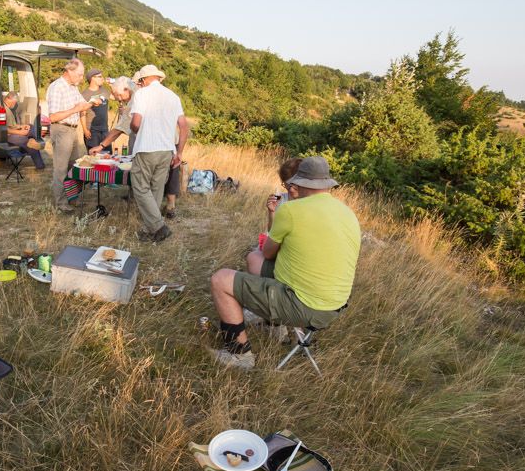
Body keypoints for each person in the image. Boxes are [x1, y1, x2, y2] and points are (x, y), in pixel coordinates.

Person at [208, 156, 361, 369]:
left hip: (305, 307)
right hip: (334, 306)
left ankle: (239, 355)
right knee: (254, 259)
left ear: (298, 184)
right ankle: (272, 324)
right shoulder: (348, 213)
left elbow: (269, 253)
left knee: (220, 280)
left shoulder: (290, 210)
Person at [128, 64, 188, 242]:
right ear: (159, 78)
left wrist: (132, 127)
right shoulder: (173, 96)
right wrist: (179, 153)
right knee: (156, 187)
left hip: (147, 147)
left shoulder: (142, 94)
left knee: (140, 187)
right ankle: (151, 230)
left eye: (141, 80)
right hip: (167, 149)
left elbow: (136, 123)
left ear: (145, 80)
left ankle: (159, 227)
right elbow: (184, 127)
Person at [46, 58, 96, 212]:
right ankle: (61, 203)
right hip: (61, 130)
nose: (82, 78)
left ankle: (72, 199)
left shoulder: (73, 87)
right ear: (69, 71)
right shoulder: (57, 87)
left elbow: (83, 105)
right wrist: (75, 110)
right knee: (61, 169)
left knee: (75, 167)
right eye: (80, 75)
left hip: (73, 130)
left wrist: (95, 101)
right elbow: (53, 117)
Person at [89, 75, 138, 154]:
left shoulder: (135, 100)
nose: (120, 99)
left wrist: (101, 146)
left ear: (126, 89)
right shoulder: (139, 93)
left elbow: (119, 129)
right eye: (117, 96)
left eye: (120, 95)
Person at [4, 91, 45, 170]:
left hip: (14, 132)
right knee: (29, 143)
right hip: (9, 136)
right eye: (14, 102)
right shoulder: (4, 109)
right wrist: (20, 132)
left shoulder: (9, 108)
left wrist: (22, 126)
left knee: (30, 127)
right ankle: (40, 165)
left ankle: (37, 140)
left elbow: (12, 125)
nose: (15, 104)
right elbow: (4, 130)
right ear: (9, 99)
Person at [82, 68, 111, 152]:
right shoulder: (85, 94)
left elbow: (115, 97)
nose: (102, 78)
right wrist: (85, 130)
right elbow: (82, 113)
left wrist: (111, 86)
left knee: (107, 155)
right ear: (92, 78)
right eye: (100, 77)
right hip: (92, 131)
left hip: (105, 130)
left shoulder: (104, 90)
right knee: (94, 157)